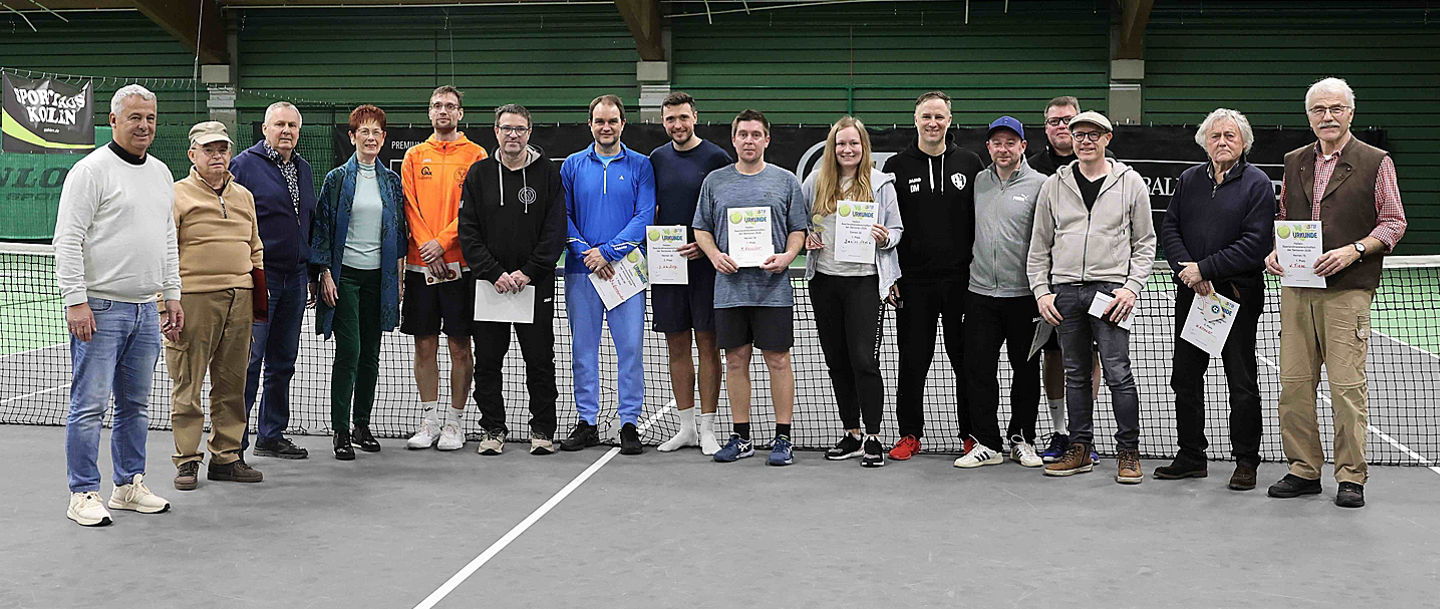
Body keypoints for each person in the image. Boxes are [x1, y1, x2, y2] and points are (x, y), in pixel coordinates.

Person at [1265, 77, 1407, 508]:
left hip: (1348, 292)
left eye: (1335, 109)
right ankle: (1303, 469)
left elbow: (1393, 222)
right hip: (1297, 290)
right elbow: (1288, 215)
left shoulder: (1376, 160)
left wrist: (1355, 249)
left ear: (1350, 112)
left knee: (1346, 388)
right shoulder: (1293, 160)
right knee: (1293, 386)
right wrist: (1278, 251)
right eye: (1318, 110)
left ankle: (1351, 476)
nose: (1327, 117)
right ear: (1309, 116)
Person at [54, 84, 179, 526]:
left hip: (147, 309)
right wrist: (76, 301)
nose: (144, 125)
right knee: (88, 406)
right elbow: (67, 239)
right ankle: (83, 492)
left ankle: (127, 486)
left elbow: (167, 237)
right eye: (134, 118)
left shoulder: (162, 173)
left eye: (150, 118)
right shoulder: (90, 172)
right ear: (113, 121)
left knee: (136, 406)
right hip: (100, 309)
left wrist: (172, 293)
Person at [1028, 111, 1155, 484]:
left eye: (1093, 134)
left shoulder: (1130, 183)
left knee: (1118, 373)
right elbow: (1039, 247)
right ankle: (1079, 448)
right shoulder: (1054, 185)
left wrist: (1131, 288)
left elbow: (1146, 243)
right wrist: (1041, 292)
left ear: (1107, 138)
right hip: (1065, 294)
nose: (1085, 141)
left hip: (1111, 293)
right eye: (1078, 134)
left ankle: (1128, 452)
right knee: (1075, 375)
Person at [1155, 108, 1273, 490]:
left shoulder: (1257, 183)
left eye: (1230, 136)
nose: (1222, 142)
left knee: (1240, 381)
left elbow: (1255, 243)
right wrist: (1187, 269)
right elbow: (1169, 226)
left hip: (1237, 294)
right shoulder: (1190, 179)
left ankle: (1246, 461)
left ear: (1244, 143)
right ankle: (1191, 456)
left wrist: (1206, 268)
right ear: (1205, 142)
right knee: (1184, 377)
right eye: (1215, 136)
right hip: (1193, 293)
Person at [694, 109, 808, 467]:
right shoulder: (715, 181)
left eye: (756, 134)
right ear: (734, 139)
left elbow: (798, 229)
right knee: (735, 360)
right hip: (729, 289)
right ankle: (741, 436)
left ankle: (783, 439)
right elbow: (702, 228)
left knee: (778, 360)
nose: (749, 140)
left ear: (766, 140)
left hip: (772, 289)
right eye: (743, 134)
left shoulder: (785, 180)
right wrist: (713, 255)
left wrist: (788, 256)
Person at [880, 91, 984, 461]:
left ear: (949, 121)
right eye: (926, 116)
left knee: (966, 359)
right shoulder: (896, 166)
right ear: (916, 120)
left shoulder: (971, 163)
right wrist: (891, 276)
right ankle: (909, 434)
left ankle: (971, 435)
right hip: (914, 284)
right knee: (913, 360)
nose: (933, 123)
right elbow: (889, 227)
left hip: (962, 283)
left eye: (939, 116)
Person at [458, 103, 567, 456]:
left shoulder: (548, 175)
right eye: (506, 128)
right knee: (488, 361)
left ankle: (543, 430)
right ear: (496, 132)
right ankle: (492, 429)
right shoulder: (478, 175)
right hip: (490, 288)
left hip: (533, 287)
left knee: (539, 360)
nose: (513, 135)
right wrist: (494, 273)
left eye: (519, 129)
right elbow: (468, 233)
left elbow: (555, 232)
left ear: (529, 132)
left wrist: (528, 272)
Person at [166, 121, 266, 491]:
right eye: (208, 150)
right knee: (187, 384)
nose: (217, 156)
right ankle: (188, 460)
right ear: (192, 154)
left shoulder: (244, 197)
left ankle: (226, 457)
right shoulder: (175, 195)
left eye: (222, 149)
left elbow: (255, 247)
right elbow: (164, 251)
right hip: (192, 300)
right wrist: (166, 304)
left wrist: (256, 295)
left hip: (239, 299)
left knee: (232, 384)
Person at [801, 116, 903, 468]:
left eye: (854, 144)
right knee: (836, 361)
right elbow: (799, 225)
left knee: (863, 358)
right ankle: (852, 433)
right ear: (832, 147)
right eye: (841, 144)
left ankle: (873, 436)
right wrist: (806, 239)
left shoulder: (880, 182)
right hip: (825, 281)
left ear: (864, 147)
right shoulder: (815, 181)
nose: (847, 149)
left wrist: (884, 237)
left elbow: (897, 230)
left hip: (863, 282)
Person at [559, 94, 656, 455]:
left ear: (622, 124)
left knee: (630, 349)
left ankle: (629, 424)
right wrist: (587, 254)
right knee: (583, 351)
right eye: (600, 121)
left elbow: (644, 216)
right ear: (590, 124)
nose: (606, 127)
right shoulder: (571, 165)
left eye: (612, 121)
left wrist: (609, 252)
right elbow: (563, 216)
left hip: (626, 271)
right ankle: (587, 422)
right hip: (581, 272)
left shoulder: (641, 166)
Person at [311, 105, 407, 461]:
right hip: (344, 277)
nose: (370, 138)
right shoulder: (336, 179)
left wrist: (396, 278)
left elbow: (399, 232)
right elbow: (321, 228)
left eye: (376, 132)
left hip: (378, 279)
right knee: (349, 350)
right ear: (352, 137)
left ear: (384, 138)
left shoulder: (391, 181)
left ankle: (361, 425)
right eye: (363, 132)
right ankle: (340, 431)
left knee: (371, 353)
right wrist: (324, 273)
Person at [954, 116, 1047, 470]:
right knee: (979, 370)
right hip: (980, 295)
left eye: (1011, 142)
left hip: (1025, 296)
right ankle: (987, 443)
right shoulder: (978, 182)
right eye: (997, 143)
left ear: (1023, 146)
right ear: (988, 148)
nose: (1003, 149)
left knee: (1025, 371)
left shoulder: (1041, 185)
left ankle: (1022, 438)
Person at [401, 85, 488, 451]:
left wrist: (444, 242)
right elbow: (408, 206)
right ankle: (430, 420)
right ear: (429, 112)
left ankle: (455, 422)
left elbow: (473, 209)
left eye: (450, 106)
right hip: (422, 266)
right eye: (437, 106)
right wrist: (428, 246)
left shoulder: (477, 155)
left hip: (461, 267)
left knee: (459, 345)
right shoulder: (413, 155)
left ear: (460, 113)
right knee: (425, 346)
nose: (443, 111)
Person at [648, 91, 733, 455]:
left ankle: (709, 428)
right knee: (676, 346)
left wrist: (707, 246)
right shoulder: (656, 159)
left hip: (706, 270)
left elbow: (730, 212)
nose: (677, 125)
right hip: (667, 268)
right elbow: (650, 209)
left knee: (708, 346)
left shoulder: (717, 158)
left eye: (683, 118)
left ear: (695, 117)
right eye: (670, 119)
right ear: (663, 122)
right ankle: (686, 428)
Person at [231, 100, 317, 460]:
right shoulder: (244, 166)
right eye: (279, 124)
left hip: (295, 278)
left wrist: (313, 270)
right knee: (249, 362)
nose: (286, 131)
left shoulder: (304, 168)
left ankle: (271, 434)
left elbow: (308, 221)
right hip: (259, 279)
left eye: (292, 126)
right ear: (265, 129)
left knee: (283, 361)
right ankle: (232, 443)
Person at [1028, 95, 1102, 464]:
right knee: (1054, 357)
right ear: (1047, 128)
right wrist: (1040, 287)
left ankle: (1082, 434)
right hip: (1053, 290)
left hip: (1098, 288)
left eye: (1068, 121)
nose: (1062, 127)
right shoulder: (1034, 171)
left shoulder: (1106, 170)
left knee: (1092, 358)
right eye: (1055, 121)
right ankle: (1060, 432)